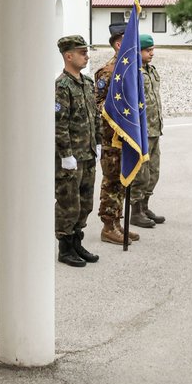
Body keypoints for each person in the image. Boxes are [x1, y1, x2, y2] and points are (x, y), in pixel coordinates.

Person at [53, 34, 101, 265]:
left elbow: (95, 116)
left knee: (85, 203)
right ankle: (65, 247)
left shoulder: (88, 83)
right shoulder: (62, 86)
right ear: (68, 55)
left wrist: (98, 142)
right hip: (71, 158)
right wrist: (66, 155)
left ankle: (77, 242)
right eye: (82, 53)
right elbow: (59, 124)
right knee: (68, 203)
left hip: (88, 154)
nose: (86, 56)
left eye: (86, 52)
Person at [94, 23, 138, 245]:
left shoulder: (129, 71)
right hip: (112, 137)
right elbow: (99, 104)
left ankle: (118, 223)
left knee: (122, 181)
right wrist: (119, 118)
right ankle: (108, 226)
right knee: (111, 181)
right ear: (120, 44)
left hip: (126, 137)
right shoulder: (107, 72)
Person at [130, 34, 165, 228]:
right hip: (142, 131)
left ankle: (145, 206)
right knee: (140, 174)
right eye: (147, 50)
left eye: (152, 49)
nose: (152, 53)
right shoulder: (134, 73)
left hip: (154, 129)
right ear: (138, 51)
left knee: (154, 172)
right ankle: (135, 212)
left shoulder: (151, 70)